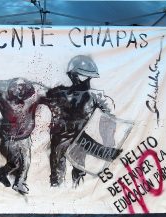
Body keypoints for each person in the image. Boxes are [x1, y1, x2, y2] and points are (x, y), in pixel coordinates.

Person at [41, 55, 115, 187]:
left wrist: (107, 138)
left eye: (86, 76)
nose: (85, 79)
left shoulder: (95, 96)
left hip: (81, 140)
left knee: (78, 174)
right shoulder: (59, 93)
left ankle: (75, 190)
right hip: (60, 139)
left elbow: (109, 117)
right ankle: (57, 192)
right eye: (80, 75)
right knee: (57, 176)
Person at [0, 77, 47, 194]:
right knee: (14, 163)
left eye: (22, 89)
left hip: (25, 138)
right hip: (11, 140)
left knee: (26, 162)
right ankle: (1, 175)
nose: (19, 92)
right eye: (17, 89)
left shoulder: (33, 100)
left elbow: (49, 97)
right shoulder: (5, 101)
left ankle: (19, 183)